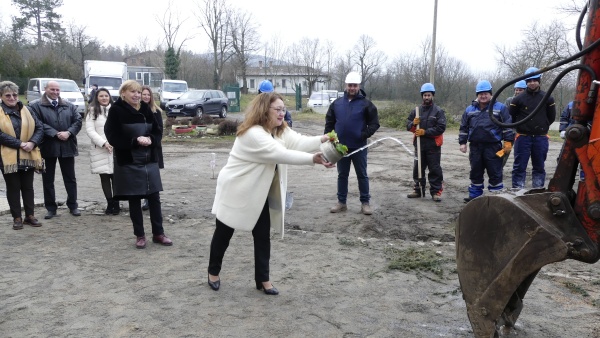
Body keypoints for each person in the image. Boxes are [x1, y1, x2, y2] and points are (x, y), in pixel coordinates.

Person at [207, 92, 334, 295]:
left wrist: (323, 138)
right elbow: (281, 154)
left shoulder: (278, 131)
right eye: (278, 109)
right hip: (236, 190)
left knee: (262, 236)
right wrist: (313, 159)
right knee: (223, 234)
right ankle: (213, 272)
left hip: (259, 194)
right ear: (264, 110)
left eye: (283, 109)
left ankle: (263, 280)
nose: (282, 113)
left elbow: (298, 142)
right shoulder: (253, 133)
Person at [104, 80, 172, 249]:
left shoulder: (146, 109)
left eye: (138, 92)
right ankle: (140, 235)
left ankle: (159, 233)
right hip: (129, 161)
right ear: (123, 93)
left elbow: (157, 130)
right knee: (134, 199)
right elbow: (112, 136)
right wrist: (134, 141)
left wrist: (151, 139)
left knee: (154, 198)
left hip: (149, 160)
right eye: (132, 92)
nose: (136, 95)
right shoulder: (116, 110)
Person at [325, 71, 379, 214]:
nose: (352, 88)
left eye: (355, 85)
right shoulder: (336, 104)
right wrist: (329, 139)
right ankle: (341, 203)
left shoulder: (366, 104)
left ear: (359, 86)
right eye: (350, 85)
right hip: (341, 148)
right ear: (346, 85)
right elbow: (329, 123)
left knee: (362, 175)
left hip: (359, 147)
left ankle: (365, 203)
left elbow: (374, 124)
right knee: (342, 175)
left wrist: (364, 135)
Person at [28, 80, 82, 219]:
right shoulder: (35, 106)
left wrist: (68, 133)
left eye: (57, 90)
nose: (55, 92)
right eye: (52, 89)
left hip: (67, 145)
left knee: (70, 178)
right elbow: (37, 123)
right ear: (45, 89)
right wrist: (55, 133)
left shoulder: (69, 106)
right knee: (48, 179)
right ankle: (51, 208)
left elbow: (78, 121)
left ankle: (73, 205)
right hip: (48, 146)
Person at [459, 80, 515, 203]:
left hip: (493, 147)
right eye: (480, 94)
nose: (483, 96)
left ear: (491, 94)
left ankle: (496, 197)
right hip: (475, 147)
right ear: (477, 95)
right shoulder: (470, 109)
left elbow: (507, 126)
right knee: (475, 171)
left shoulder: (500, 108)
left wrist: (508, 142)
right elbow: (464, 127)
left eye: (485, 93)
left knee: (495, 172)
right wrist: (462, 143)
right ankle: (474, 197)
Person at [0, 81, 44, 230]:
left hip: (28, 153)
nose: (12, 98)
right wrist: (19, 143)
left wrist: (32, 142)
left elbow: (39, 128)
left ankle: (30, 216)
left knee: (28, 187)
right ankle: (17, 217)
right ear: (1, 96)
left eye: (14, 95)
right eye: (8, 95)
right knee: (13, 187)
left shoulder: (28, 110)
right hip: (7, 156)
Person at [509, 67, 556, 189]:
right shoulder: (518, 99)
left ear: (539, 81)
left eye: (535, 80)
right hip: (523, 137)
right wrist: (522, 126)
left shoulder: (548, 98)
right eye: (529, 81)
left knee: (539, 166)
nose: (532, 83)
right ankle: (517, 190)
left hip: (540, 138)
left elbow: (551, 117)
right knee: (519, 166)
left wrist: (541, 126)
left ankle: (538, 190)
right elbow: (512, 117)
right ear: (526, 82)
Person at [406, 83, 446, 202]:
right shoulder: (416, 111)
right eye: (424, 95)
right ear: (422, 96)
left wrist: (425, 132)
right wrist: (413, 123)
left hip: (433, 145)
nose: (426, 97)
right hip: (419, 145)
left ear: (432, 96)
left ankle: (435, 192)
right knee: (417, 168)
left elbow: (441, 128)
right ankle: (418, 189)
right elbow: (408, 126)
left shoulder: (438, 111)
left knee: (434, 169)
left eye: (429, 95)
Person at [85, 88, 119, 215]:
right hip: (100, 148)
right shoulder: (92, 111)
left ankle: (116, 203)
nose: (104, 98)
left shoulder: (116, 110)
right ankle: (109, 203)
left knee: (116, 177)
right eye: (101, 96)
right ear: (97, 98)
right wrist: (103, 143)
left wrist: (115, 142)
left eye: (106, 96)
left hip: (115, 148)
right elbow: (90, 130)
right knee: (104, 176)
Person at [140, 85, 164, 211]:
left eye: (148, 95)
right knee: (141, 174)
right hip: (139, 146)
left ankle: (151, 199)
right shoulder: (136, 110)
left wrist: (151, 140)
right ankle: (144, 197)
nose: (146, 96)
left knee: (152, 175)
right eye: (144, 94)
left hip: (153, 147)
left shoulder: (156, 111)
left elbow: (159, 130)